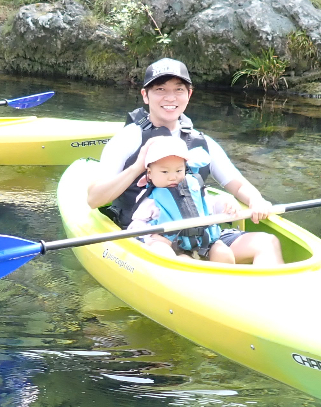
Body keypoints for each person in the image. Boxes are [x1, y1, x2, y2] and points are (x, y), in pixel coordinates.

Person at [87, 57, 284, 267]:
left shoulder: (201, 142)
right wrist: (138, 166)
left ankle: (262, 296)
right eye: (160, 89)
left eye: (179, 90)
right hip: (151, 237)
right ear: (145, 95)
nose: (170, 98)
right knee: (169, 257)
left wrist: (256, 200)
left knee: (267, 242)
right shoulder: (128, 140)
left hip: (200, 236)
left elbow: (238, 184)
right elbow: (94, 199)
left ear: (189, 94)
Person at [128, 136, 242, 263]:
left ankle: (224, 278)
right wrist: (150, 237)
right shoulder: (150, 198)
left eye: (178, 170)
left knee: (222, 252)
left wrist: (227, 202)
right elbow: (136, 225)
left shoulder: (194, 187)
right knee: (162, 250)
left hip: (202, 244)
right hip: (171, 246)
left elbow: (209, 205)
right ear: (149, 173)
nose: (172, 177)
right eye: (164, 172)